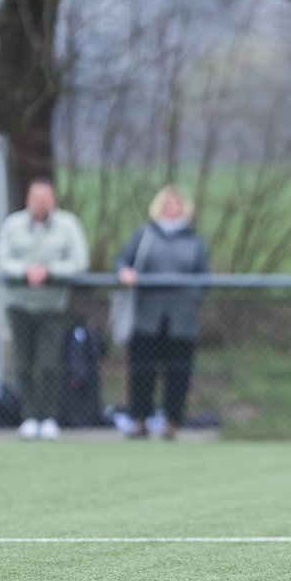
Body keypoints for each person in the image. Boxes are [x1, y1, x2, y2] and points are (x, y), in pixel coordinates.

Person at [0, 178, 90, 441]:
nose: (40, 203)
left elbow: (79, 261)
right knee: (23, 364)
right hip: (19, 304)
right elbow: (2, 260)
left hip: (52, 306)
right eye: (36, 197)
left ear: (53, 200)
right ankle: (28, 417)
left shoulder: (68, 225)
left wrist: (49, 272)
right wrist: (25, 272)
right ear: (28, 199)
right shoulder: (13, 225)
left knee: (49, 364)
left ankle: (48, 417)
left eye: (45, 198)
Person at [114, 184, 210, 440]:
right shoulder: (145, 234)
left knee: (178, 372)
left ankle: (172, 422)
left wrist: (189, 295)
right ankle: (140, 420)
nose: (172, 209)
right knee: (142, 370)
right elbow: (123, 260)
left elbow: (203, 277)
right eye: (167, 205)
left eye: (176, 205)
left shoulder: (195, 240)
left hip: (181, 317)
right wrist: (124, 272)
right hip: (147, 314)